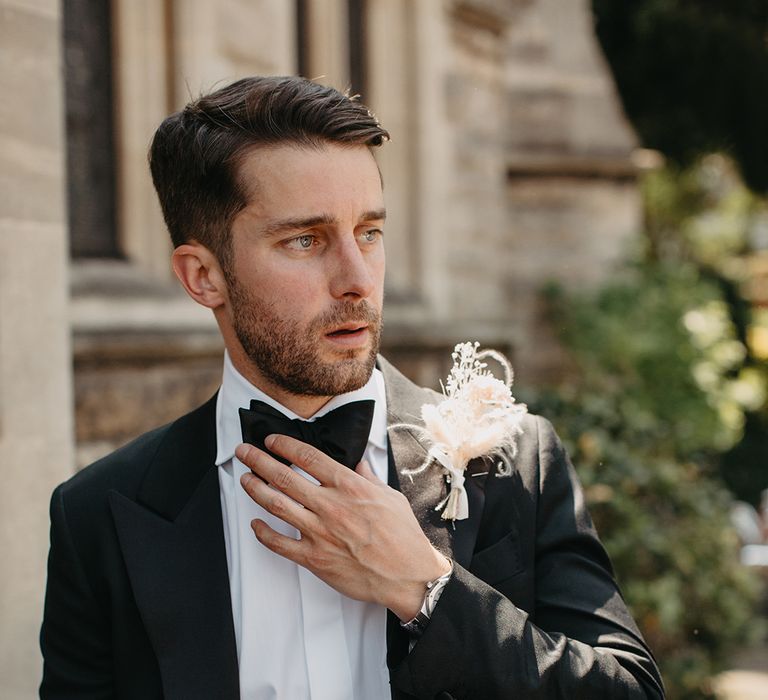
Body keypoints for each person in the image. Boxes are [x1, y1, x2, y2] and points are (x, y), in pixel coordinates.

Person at [40, 76, 665, 699]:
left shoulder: (515, 460)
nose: (358, 279)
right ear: (204, 276)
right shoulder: (99, 514)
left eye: (369, 231)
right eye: (305, 240)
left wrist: (426, 590)